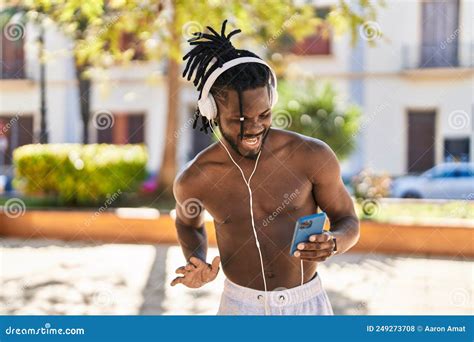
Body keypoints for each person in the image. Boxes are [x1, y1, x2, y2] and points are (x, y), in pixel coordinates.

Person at [171, 20, 360, 315]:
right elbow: (187, 222)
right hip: (239, 307)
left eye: (264, 114)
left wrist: (334, 243)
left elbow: (347, 219)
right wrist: (197, 259)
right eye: (238, 120)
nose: (253, 129)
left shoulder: (311, 155)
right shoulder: (195, 179)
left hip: (305, 305)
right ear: (211, 112)